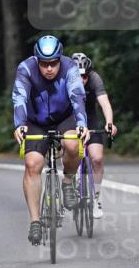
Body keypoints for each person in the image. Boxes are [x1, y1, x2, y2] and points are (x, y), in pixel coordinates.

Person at [12, 35, 90, 246]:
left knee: (73, 144)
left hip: (65, 117)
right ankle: (35, 221)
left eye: (53, 63)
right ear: (36, 60)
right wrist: (20, 124)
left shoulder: (70, 67)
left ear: (60, 59)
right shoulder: (26, 68)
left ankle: (67, 181)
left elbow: (77, 95)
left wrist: (82, 122)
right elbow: (19, 96)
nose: (49, 69)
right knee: (32, 164)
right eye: (44, 64)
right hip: (35, 120)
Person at [70, 53, 117, 219]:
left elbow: (104, 103)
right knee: (71, 150)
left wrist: (109, 123)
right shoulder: (63, 81)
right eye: (78, 76)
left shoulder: (95, 79)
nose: (81, 80)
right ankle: (72, 180)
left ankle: (96, 198)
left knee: (96, 158)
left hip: (90, 117)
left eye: (84, 76)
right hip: (70, 119)